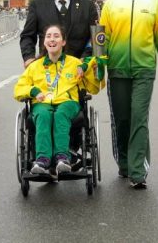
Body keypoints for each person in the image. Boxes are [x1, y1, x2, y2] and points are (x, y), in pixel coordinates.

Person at [100, 0, 158, 189]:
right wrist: (98, 68)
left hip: (144, 69)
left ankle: (137, 171)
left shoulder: (154, 2)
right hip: (117, 69)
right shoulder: (111, 2)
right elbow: (102, 37)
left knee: (139, 119)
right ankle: (124, 163)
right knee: (121, 120)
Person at [14, 25, 103, 175]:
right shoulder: (35, 66)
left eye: (56, 36)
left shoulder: (75, 64)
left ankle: (62, 158)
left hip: (68, 103)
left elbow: (94, 87)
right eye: (48, 36)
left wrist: (95, 71)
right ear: (44, 42)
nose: (52, 39)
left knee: (60, 114)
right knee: (43, 115)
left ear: (63, 42)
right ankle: (42, 160)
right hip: (42, 104)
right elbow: (19, 89)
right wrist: (33, 91)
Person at [20, 0, 98, 67]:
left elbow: (96, 37)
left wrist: (85, 60)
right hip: (48, 69)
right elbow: (27, 36)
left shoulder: (88, 6)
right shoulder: (37, 5)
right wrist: (29, 58)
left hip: (80, 68)